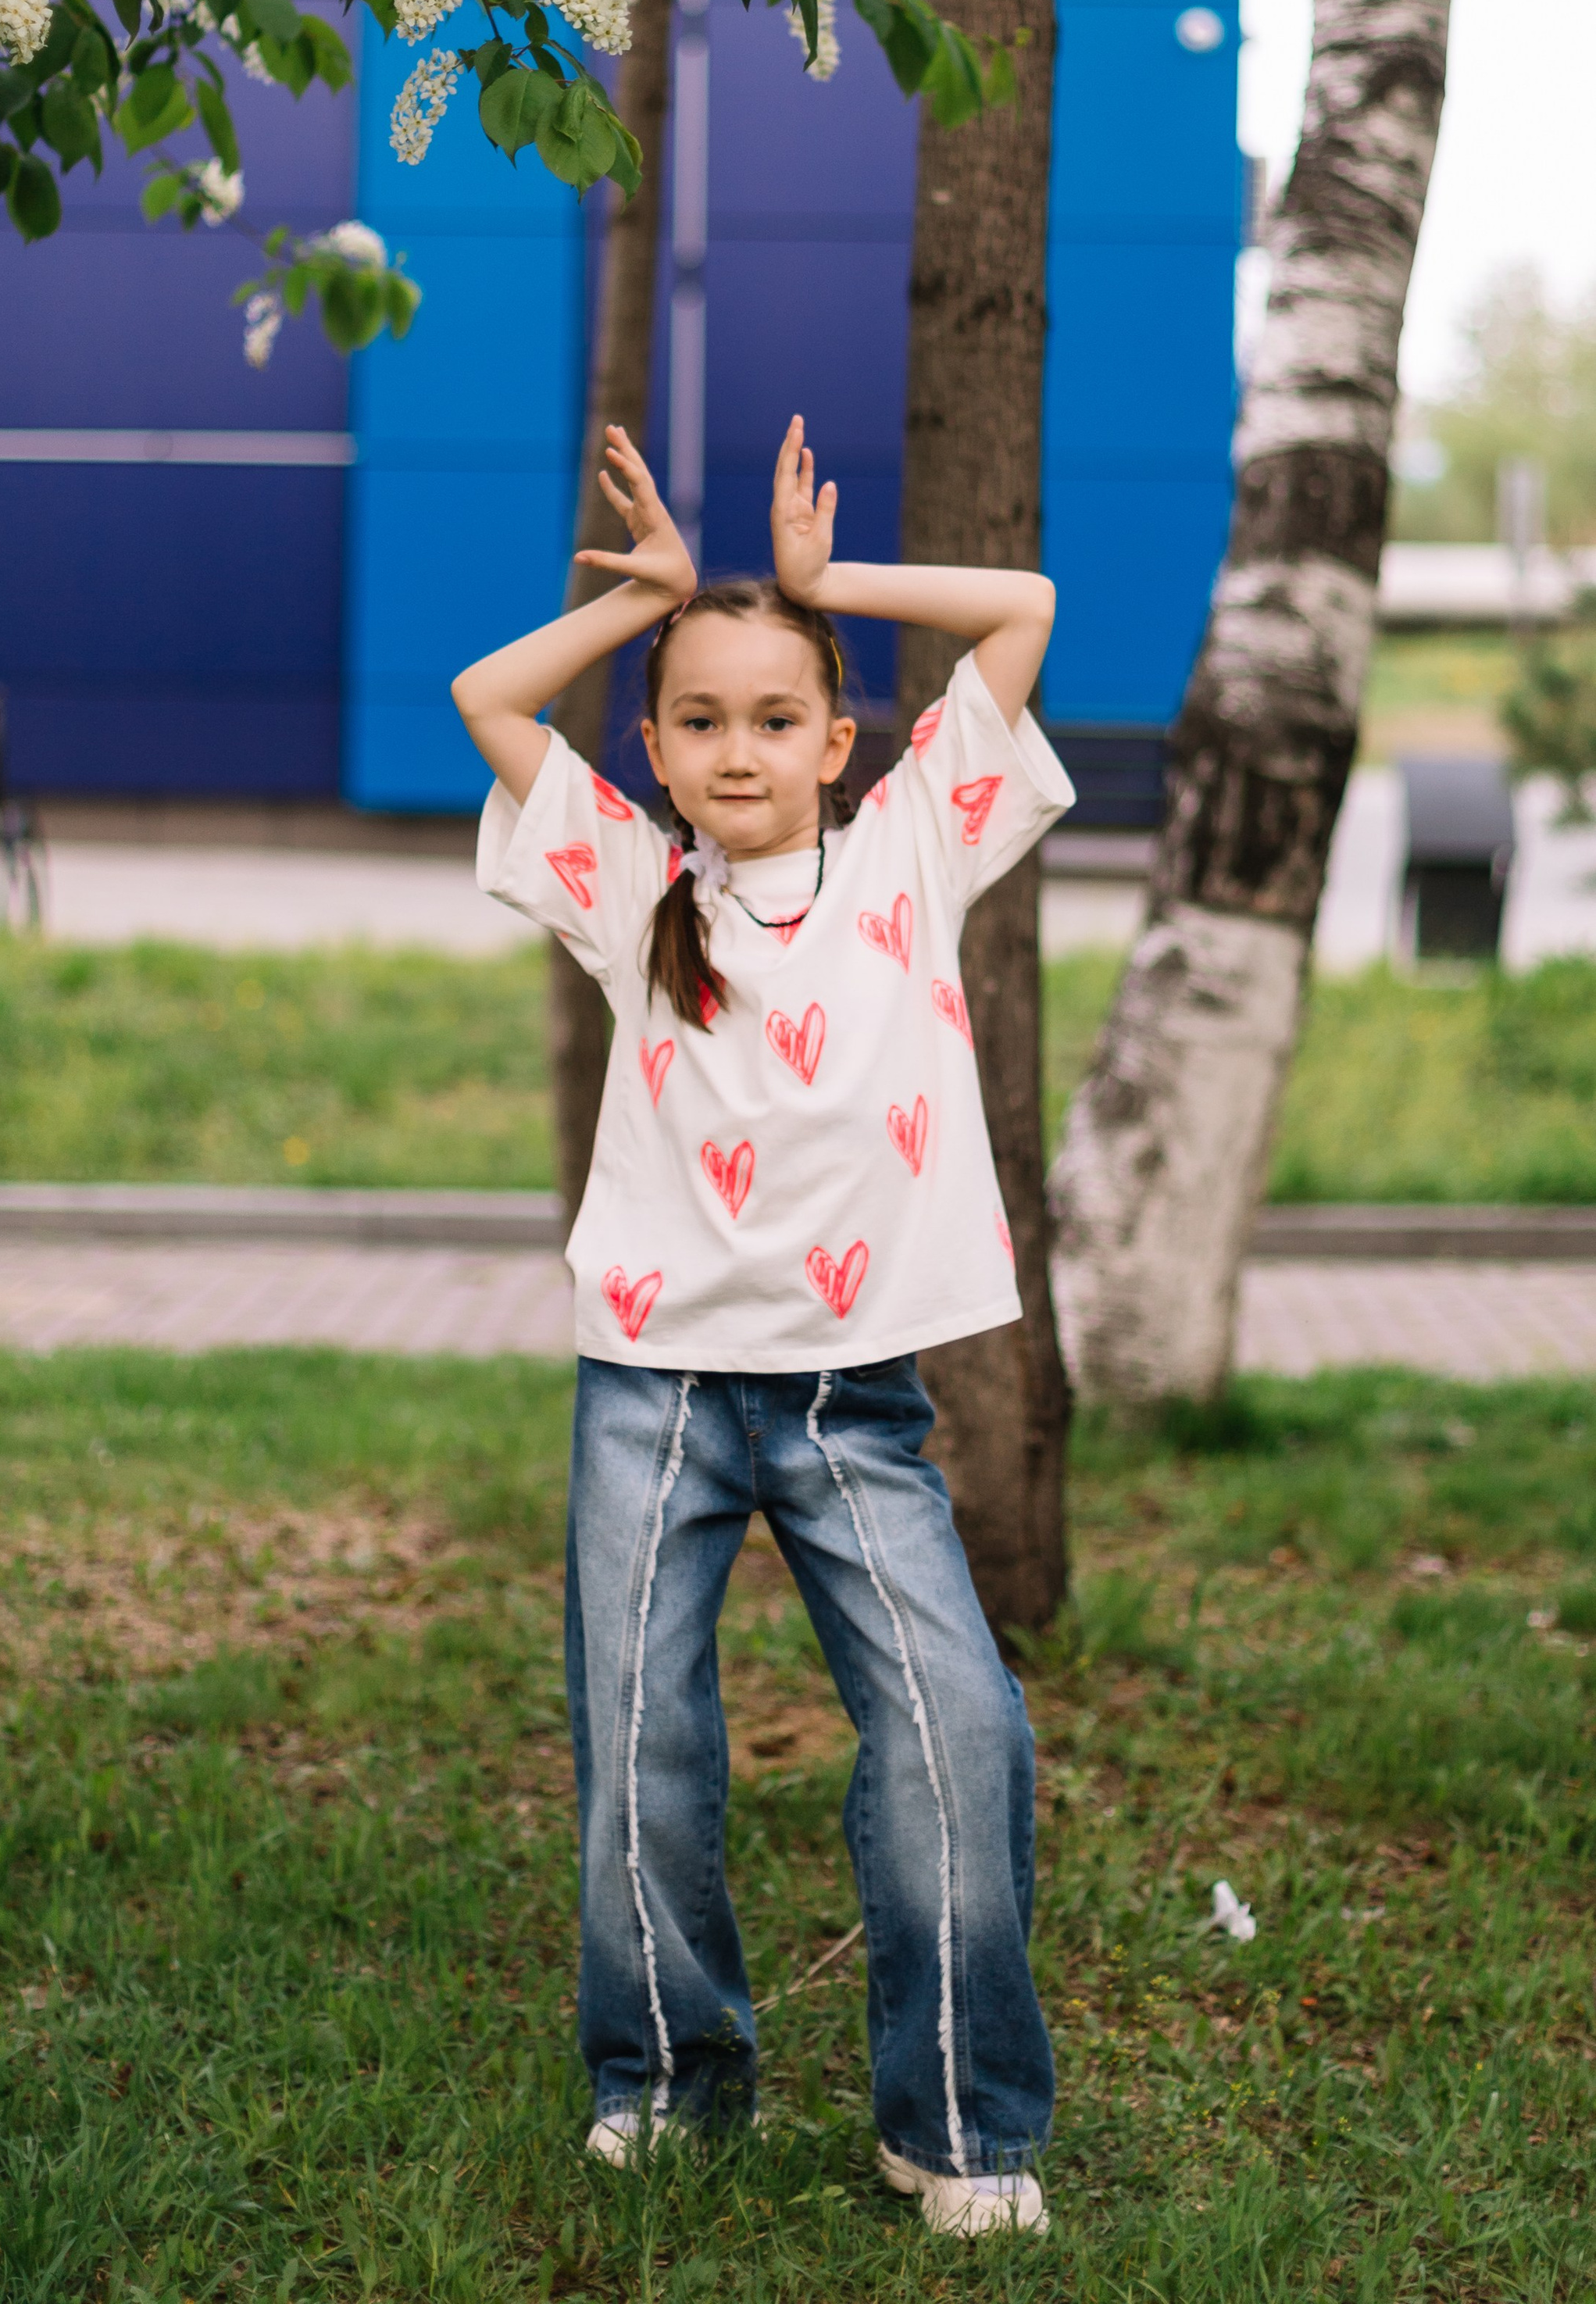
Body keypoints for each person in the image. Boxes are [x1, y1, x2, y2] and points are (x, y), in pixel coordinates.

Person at [450, 414, 1071, 2239]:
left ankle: (952, 2123)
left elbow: (1022, 606)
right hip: (650, 1393)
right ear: (650, 751)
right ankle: (665, 2080)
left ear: (838, 739)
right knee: (640, 1735)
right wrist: (644, 595)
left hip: (845, 1396)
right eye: (699, 719)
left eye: (777, 714)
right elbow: (491, 698)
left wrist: (822, 588)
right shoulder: (626, 882)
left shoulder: (908, 867)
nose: (739, 748)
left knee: (956, 1726)